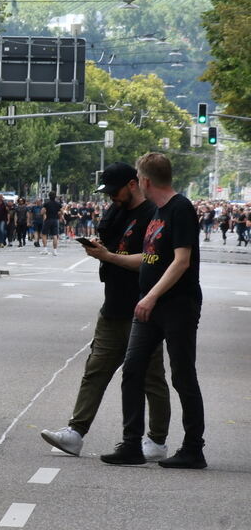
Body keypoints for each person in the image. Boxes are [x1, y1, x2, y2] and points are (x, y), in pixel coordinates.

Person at [41, 163, 170, 460]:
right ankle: (75, 433)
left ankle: (157, 440)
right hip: (112, 306)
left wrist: (109, 256)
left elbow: (151, 260)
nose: (111, 197)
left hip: (143, 308)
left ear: (133, 184)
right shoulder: (116, 211)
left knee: (151, 378)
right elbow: (111, 245)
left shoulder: (153, 214)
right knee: (95, 371)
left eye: (115, 191)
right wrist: (100, 248)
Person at [100, 153, 208, 469]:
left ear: (145, 181)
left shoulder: (180, 209)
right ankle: (131, 444)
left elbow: (182, 261)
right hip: (149, 304)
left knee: (182, 375)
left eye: (138, 179)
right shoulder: (157, 212)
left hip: (177, 305)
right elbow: (149, 258)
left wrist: (151, 296)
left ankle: (193, 448)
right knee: (133, 370)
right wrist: (110, 257)